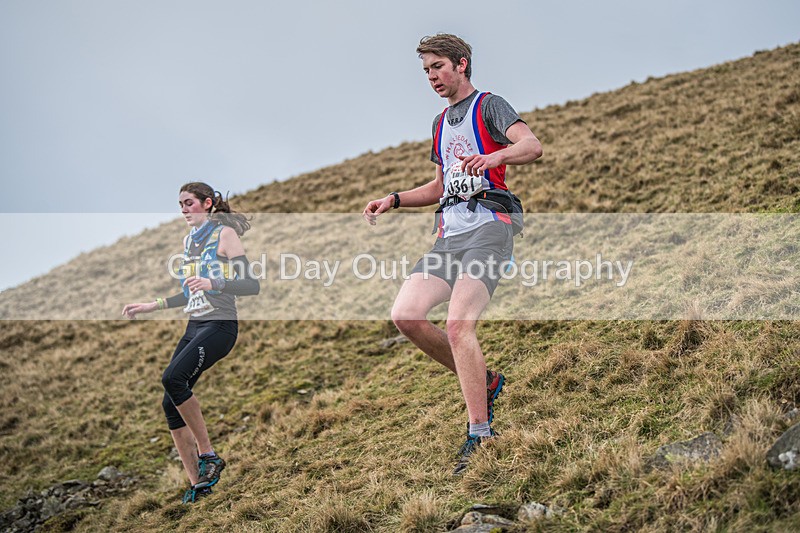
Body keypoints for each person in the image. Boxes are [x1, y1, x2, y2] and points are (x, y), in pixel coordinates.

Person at [363, 34, 542, 475]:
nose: (432, 77)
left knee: (459, 325)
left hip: (489, 229)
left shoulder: (489, 105)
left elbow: (532, 146)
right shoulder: (440, 124)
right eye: (426, 70)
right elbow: (441, 187)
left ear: (461, 64)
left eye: (438, 67)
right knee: (406, 315)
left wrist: (493, 155)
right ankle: (486, 381)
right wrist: (395, 198)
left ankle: (480, 432)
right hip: (449, 236)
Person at [122, 182, 260, 503]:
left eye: (189, 203)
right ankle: (199, 485)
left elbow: (251, 285)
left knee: (172, 378)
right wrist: (151, 305)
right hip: (194, 324)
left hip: (220, 325)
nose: (183, 209)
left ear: (207, 203)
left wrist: (215, 281)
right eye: (180, 204)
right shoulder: (189, 242)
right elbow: (189, 290)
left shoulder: (225, 235)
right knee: (170, 400)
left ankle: (209, 455)